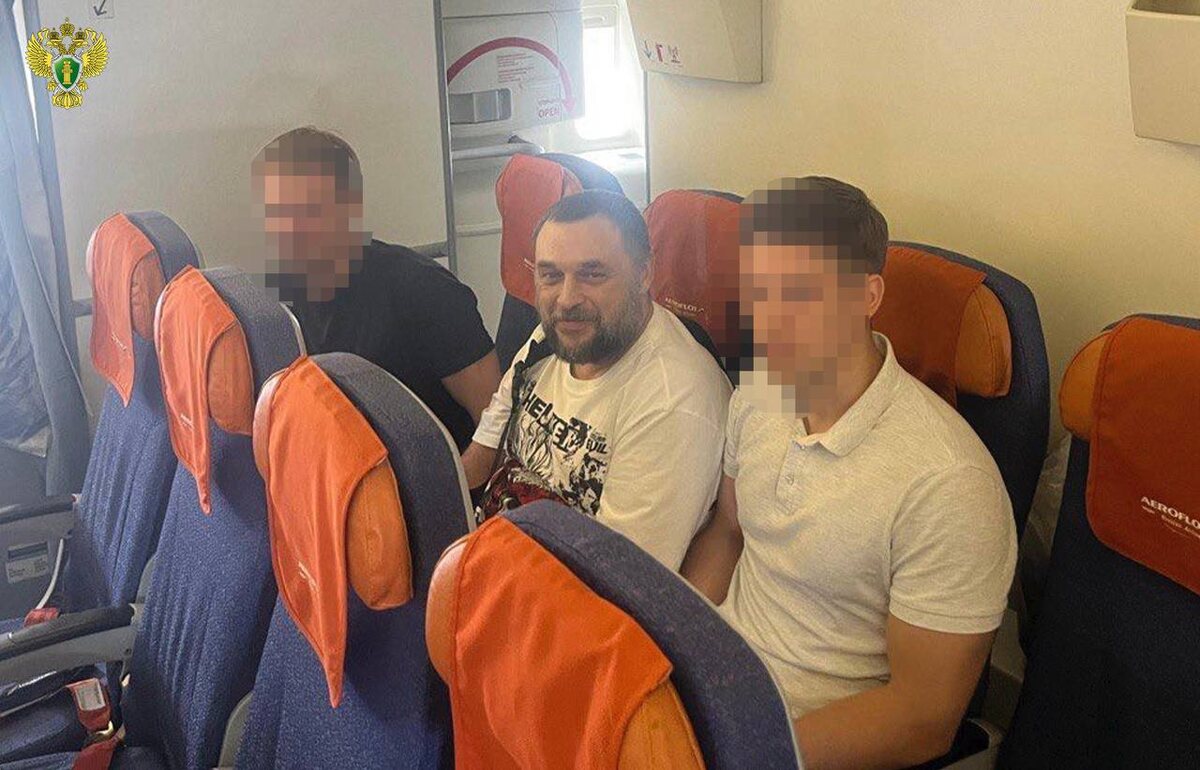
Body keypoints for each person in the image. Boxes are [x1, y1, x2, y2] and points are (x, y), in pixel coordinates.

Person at [680, 177, 1017, 770]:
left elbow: (922, 719)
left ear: (868, 294)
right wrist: (672, 646)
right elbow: (728, 532)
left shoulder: (949, 483)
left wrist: (743, 752)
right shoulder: (758, 394)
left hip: (803, 745)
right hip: (712, 695)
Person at [461, 190, 731, 570]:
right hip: (492, 555)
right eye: (550, 275)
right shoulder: (553, 338)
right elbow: (482, 454)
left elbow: (615, 581)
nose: (566, 299)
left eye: (592, 274)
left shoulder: (673, 402)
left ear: (644, 274)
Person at [252, 127, 499, 450]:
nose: (288, 229)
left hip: (433, 473)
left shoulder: (424, 290)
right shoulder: (291, 298)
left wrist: (455, 482)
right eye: (277, 212)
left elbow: (495, 424)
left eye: (305, 210)